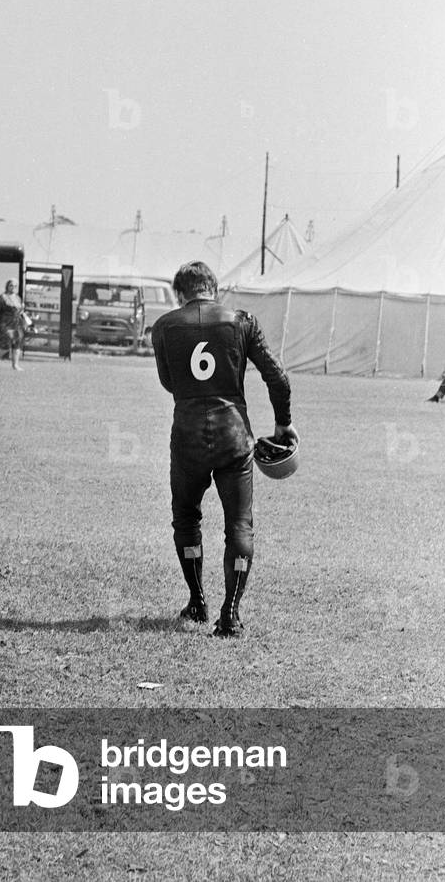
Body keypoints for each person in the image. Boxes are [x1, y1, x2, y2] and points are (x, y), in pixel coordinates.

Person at [152, 261, 299, 639]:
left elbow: (170, 382)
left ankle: (197, 599)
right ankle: (230, 613)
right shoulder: (242, 320)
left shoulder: (164, 326)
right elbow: (277, 377)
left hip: (186, 435)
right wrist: (283, 423)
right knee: (239, 524)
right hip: (234, 435)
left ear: (179, 293)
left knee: (186, 520)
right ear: (214, 288)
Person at [0, 279, 26, 370]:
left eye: (15, 286)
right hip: (6, 323)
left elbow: (20, 311)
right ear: (7, 286)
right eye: (11, 285)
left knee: (17, 344)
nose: (13, 287)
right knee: (6, 346)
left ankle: (15, 365)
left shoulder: (18, 298)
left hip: (16, 323)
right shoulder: (2, 297)